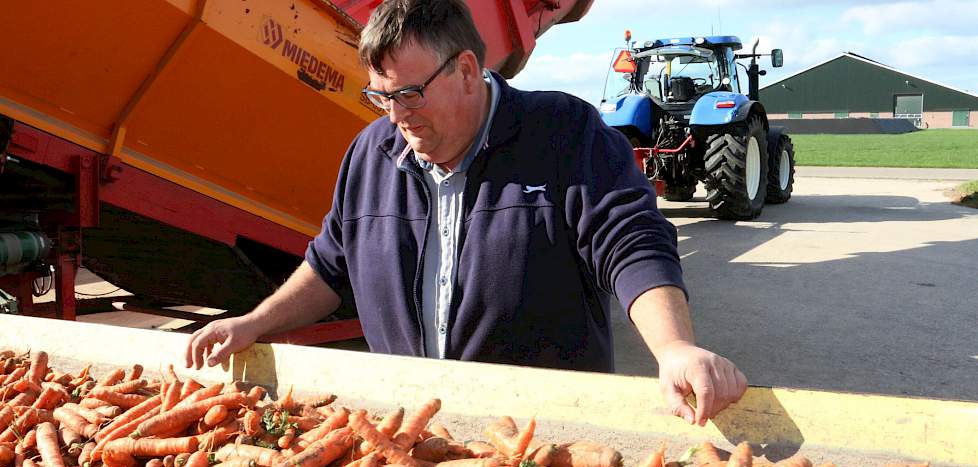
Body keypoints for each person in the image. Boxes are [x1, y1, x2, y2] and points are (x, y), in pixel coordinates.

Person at [186, 0, 747, 426]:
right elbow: (331, 265)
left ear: (466, 69)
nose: (396, 115)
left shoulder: (562, 134)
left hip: (546, 431)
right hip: (412, 427)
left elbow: (630, 242)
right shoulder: (370, 153)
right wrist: (252, 324)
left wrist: (674, 347)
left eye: (408, 93)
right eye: (380, 96)